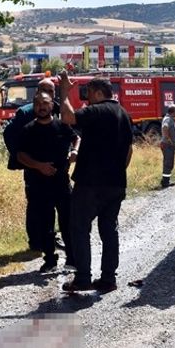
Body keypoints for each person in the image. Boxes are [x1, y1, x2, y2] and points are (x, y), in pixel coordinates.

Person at [58, 71, 133, 294]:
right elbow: (129, 151)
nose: (87, 99)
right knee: (109, 230)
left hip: (90, 184)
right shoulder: (124, 114)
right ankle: (108, 279)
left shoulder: (97, 110)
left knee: (79, 228)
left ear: (99, 93)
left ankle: (83, 279)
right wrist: (117, 172)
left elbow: (67, 117)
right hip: (116, 184)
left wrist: (64, 92)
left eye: (88, 94)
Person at [17, 92, 79, 272]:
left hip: (61, 183)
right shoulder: (28, 130)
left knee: (68, 222)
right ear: (34, 107)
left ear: (52, 105)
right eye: (37, 104)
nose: (41, 107)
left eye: (45, 103)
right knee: (45, 224)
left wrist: (74, 151)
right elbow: (20, 155)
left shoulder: (62, 126)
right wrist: (39, 166)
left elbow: (77, 138)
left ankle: (72, 259)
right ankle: (50, 260)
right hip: (39, 185)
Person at [3, 77, 59, 251]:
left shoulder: (58, 109)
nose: (47, 94)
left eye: (51, 91)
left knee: (53, 204)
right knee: (35, 204)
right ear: (36, 92)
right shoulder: (26, 112)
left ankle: (50, 237)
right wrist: (21, 157)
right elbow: (9, 134)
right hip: (34, 168)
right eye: (44, 90)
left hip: (55, 168)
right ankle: (35, 241)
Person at [159, 104, 175, 188]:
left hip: (170, 145)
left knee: (169, 163)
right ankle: (165, 182)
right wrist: (168, 139)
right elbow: (165, 127)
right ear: (173, 111)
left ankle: (166, 180)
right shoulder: (168, 119)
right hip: (167, 145)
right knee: (168, 163)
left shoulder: (170, 118)